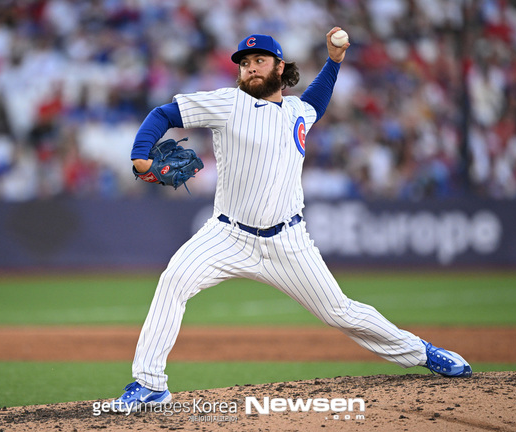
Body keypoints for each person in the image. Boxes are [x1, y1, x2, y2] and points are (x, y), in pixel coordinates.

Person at [114, 27, 472, 411]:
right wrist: (140, 155)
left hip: (288, 241)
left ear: (279, 67)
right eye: (245, 63)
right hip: (227, 235)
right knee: (174, 280)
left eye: (260, 60)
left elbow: (317, 98)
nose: (251, 68)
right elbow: (164, 113)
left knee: (340, 312)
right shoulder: (228, 103)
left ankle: (422, 352)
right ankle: (150, 384)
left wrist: (334, 61)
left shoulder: (298, 111)